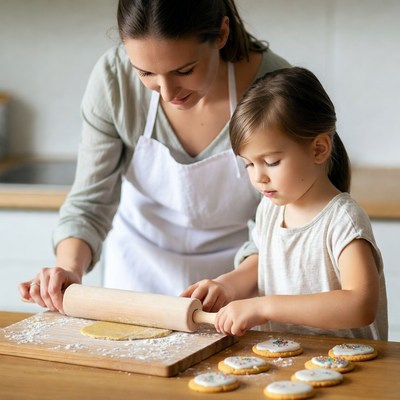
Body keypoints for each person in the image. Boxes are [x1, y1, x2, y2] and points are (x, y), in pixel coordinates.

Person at [18, 0, 290, 312]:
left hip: (240, 284)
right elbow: (90, 202)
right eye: (146, 73)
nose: (167, 92)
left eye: (184, 70)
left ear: (221, 33)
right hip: (137, 273)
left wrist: (234, 283)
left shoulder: (276, 90)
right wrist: (68, 268)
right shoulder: (114, 79)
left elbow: (285, 222)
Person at [182, 67, 388, 340]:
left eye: (271, 162)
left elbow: (360, 305)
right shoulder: (271, 208)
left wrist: (265, 306)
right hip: (290, 360)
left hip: (352, 369)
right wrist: (226, 286)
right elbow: (264, 261)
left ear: (318, 149)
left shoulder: (342, 220)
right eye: (249, 165)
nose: (259, 177)